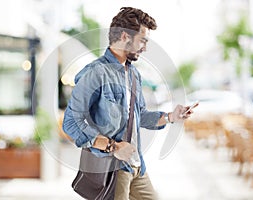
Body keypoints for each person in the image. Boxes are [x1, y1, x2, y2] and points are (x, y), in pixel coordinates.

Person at [63, 7, 193, 200]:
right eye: (143, 40)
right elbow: (71, 122)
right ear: (125, 36)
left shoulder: (133, 74)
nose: (145, 47)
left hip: (136, 166)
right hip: (112, 168)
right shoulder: (95, 73)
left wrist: (170, 117)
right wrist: (113, 147)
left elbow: (140, 115)